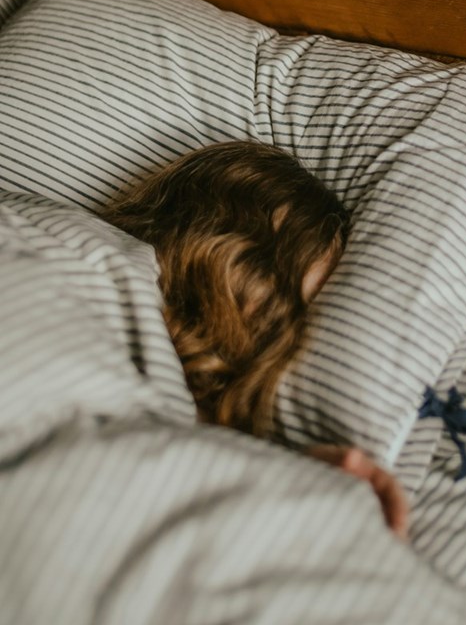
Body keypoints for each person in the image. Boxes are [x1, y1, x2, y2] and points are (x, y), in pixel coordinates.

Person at [104, 139, 408, 539]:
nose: (286, 329)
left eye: (308, 311)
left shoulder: (206, 422)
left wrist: (297, 476)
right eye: (276, 274)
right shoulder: (94, 265)